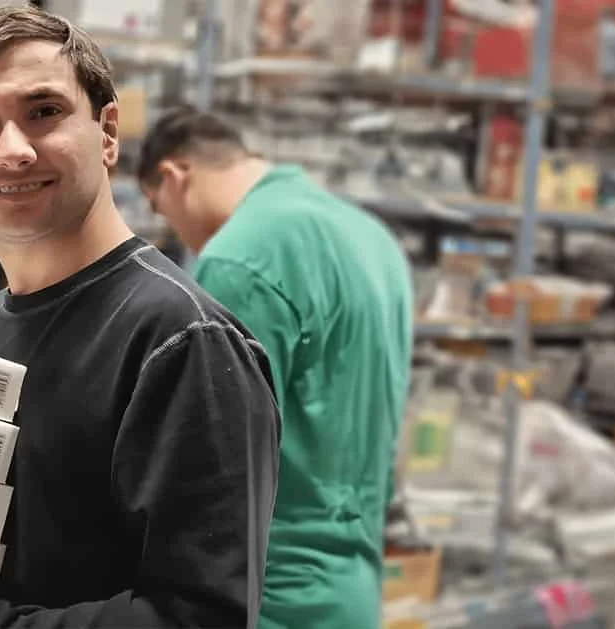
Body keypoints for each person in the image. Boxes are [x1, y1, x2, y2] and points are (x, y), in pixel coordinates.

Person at [0, 6, 282, 629]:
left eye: (43, 112)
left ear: (108, 132)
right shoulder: (0, 321)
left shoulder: (182, 342)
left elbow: (198, 618)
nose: (12, 151)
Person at [135, 106, 415, 629]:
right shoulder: (372, 239)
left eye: (161, 210)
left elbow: (211, 468)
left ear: (175, 178)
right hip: (351, 589)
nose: (175, 231)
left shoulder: (240, 256)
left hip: (271, 598)